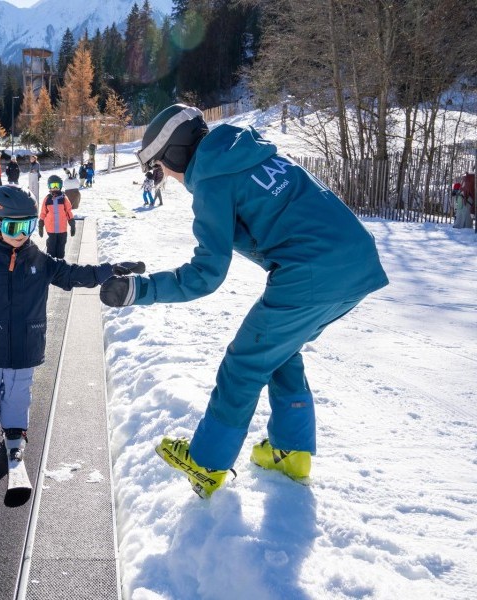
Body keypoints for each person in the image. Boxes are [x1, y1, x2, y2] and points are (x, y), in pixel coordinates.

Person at [99, 104, 389, 499]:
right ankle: (291, 451)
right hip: (357, 262)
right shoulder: (254, 152)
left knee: (244, 364)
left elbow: (206, 275)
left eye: (160, 166)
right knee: (279, 352)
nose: (163, 175)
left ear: (174, 154)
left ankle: (206, 463)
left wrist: (140, 289)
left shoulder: (213, 180)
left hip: (311, 271)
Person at [0, 186, 144, 471]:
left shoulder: (40, 260)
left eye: (27, 225)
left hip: (27, 344)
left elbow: (74, 274)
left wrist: (109, 270)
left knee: (18, 392)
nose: (22, 233)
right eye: (14, 226)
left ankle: (15, 432)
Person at [38, 175, 75, 259]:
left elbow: (68, 211)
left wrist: (72, 223)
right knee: (51, 247)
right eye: (52, 185)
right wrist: (41, 223)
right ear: (49, 186)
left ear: (60, 186)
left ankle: (60, 263)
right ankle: (50, 263)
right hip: (51, 229)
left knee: (61, 248)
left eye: (57, 185)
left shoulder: (64, 198)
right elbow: (43, 213)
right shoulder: (47, 199)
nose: (54, 187)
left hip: (62, 229)